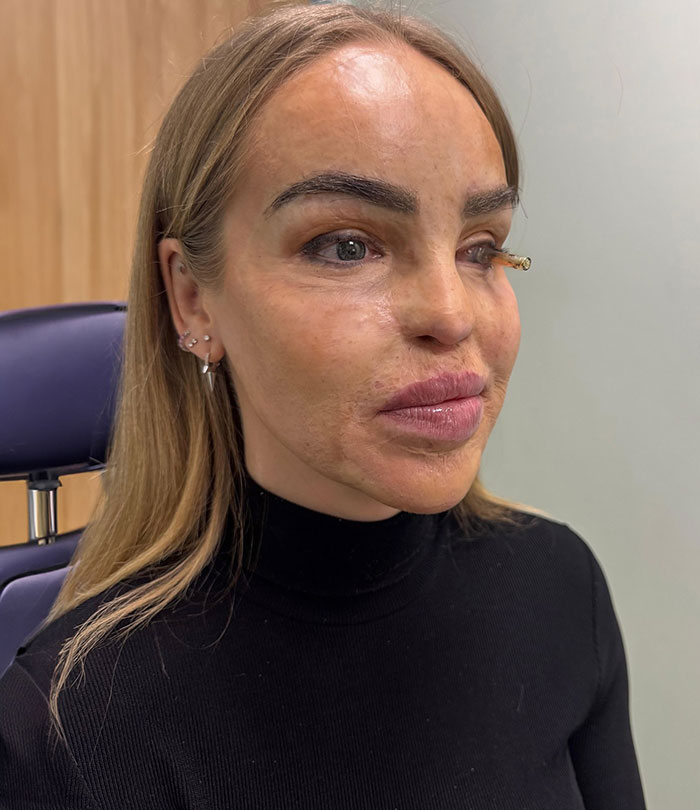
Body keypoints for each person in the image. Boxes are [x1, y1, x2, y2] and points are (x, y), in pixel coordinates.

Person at [0, 4, 647, 808]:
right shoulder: (69, 734)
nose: (453, 315)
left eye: (481, 247)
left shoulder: (561, 589)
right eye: (346, 245)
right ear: (192, 298)